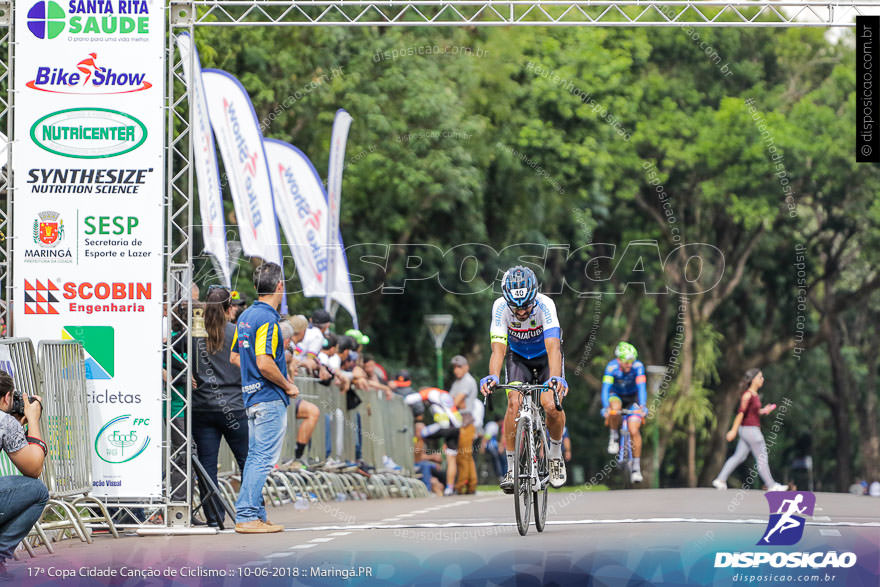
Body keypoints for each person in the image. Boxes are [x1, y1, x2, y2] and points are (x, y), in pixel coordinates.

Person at [479, 266, 568, 493]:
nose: (520, 313)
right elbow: (498, 349)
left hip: (546, 358)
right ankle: (511, 469)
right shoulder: (500, 307)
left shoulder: (546, 305)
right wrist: (492, 376)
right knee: (513, 404)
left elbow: (553, 347)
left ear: (534, 297)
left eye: (526, 306)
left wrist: (556, 378)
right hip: (518, 358)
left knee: (550, 404)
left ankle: (555, 456)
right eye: (515, 308)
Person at [229, 262, 299, 534]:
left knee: (255, 457)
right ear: (279, 286)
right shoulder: (269, 319)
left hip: (251, 397)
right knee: (261, 459)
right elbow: (264, 363)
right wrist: (288, 385)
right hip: (268, 397)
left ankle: (255, 513)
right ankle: (247, 515)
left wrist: (252, 377)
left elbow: (235, 356)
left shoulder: (246, 315)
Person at [192, 286, 248, 527]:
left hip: (202, 407)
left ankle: (215, 518)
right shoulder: (237, 333)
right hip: (234, 406)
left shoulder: (194, 335)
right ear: (229, 308)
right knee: (247, 461)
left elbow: (170, 359)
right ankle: (250, 514)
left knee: (207, 465)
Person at [0, 372, 48, 581]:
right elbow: (33, 468)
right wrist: (33, 420)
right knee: (37, 490)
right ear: (6, 397)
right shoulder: (4, 422)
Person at [712, 368, 786, 491]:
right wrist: (733, 430)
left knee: (739, 456)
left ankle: (720, 480)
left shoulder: (755, 395)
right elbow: (740, 414)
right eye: (760, 377)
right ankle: (771, 485)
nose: (762, 379)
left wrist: (764, 411)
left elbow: (753, 413)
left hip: (748, 430)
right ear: (753, 380)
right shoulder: (747, 395)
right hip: (751, 430)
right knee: (762, 457)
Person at [601, 341, 648, 483]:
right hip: (616, 395)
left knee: (634, 430)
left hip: (632, 397)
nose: (629, 364)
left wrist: (643, 406)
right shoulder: (611, 367)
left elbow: (641, 388)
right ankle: (614, 436)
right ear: (619, 359)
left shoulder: (638, 367)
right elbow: (605, 389)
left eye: (632, 361)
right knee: (614, 409)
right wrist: (605, 407)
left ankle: (636, 467)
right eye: (626, 361)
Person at [277, 320, 320, 471]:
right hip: (277, 395)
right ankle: (292, 457)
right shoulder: (286, 346)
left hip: (285, 394)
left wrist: (298, 363)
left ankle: (296, 456)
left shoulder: (291, 346)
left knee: (313, 411)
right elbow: (286, 357)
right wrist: (294, 364)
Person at [405, 387, 462, 496]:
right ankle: (449, 488)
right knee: (451, 459)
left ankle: (417, 460)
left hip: (444, 426)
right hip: (456, 426)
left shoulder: (429, 392)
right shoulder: (445, 393)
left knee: (420, 433)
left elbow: (409, 399)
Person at [450, 355, 479, 495]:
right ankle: (471, 485)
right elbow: (452, 401)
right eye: (455, 367)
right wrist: (455, 402)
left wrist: (456, 402)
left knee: (463, 455)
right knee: (466, 455)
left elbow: (455, 402)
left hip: (466, 420)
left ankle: (461, 485)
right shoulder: (457, 382)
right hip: (459, 419)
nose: (456, 370)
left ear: (466, 367)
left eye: (459, 367)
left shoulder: (467, 381)